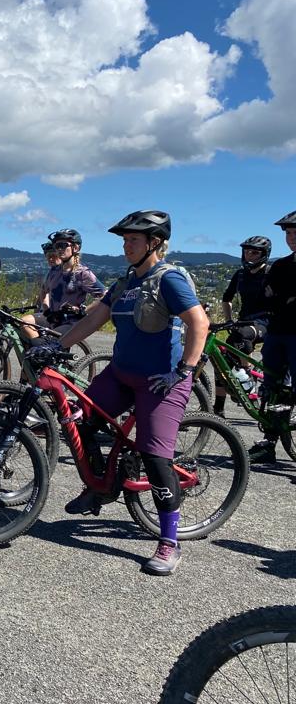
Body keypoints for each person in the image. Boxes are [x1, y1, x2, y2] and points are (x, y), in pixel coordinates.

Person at [46, 210, 208, 575]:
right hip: (121, 373)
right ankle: (103, 487)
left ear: (154, 243)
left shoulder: (168, 279)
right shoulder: (126, 281)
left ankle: (169, 541)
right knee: (80, 419)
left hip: (159, 380)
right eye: (124, 239)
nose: (125, 245)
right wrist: (58, 345)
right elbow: (94, 318)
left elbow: (200, 322)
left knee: (155, 458)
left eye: (133, 240)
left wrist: (184, 371)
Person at [249, 212, 296, 463]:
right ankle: (268, 443)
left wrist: (283, 299)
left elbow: (274, 297)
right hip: (277, 333)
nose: (292, 238)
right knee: (272, 390)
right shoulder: (280, 266)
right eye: (289, 233)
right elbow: (264, 299)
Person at [213, 236, 272, 417]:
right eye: (247, 252)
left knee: (243, 335)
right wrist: (229, 320)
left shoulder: (270, 274)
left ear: (264, 254)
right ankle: (218, 409)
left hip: (265, 322)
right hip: (243, 322)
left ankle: (246, 374)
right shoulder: (240, 275)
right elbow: (226, 298)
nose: (249, 256)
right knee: (220, 360)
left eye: (254, 252)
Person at [21, 229, 106, 340]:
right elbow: (43, 290)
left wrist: (83, 311)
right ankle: (39, 349)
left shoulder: (82, 273)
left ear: (75, 248)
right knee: (24, 322)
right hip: (53, 318)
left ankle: (42, 349)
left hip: (71, 322)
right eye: (56, 246)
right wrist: (47, 310)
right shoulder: (54, 271)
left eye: (62, 245)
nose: (59, 249)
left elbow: (105, 295)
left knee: (49, 339)